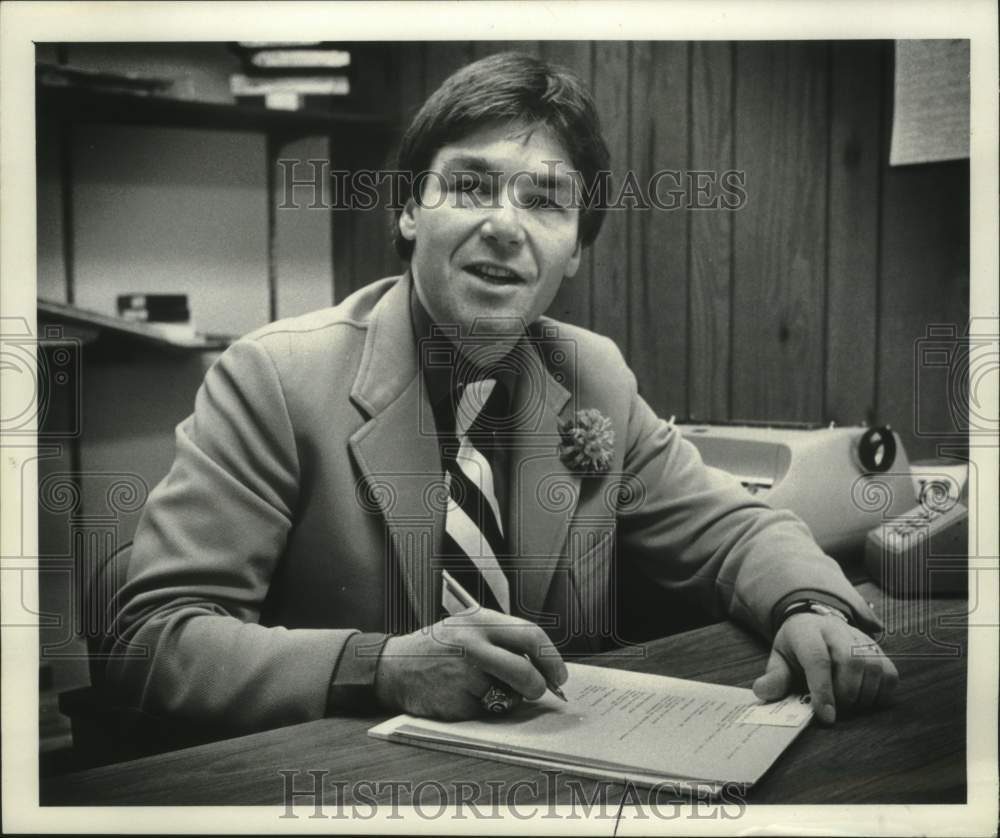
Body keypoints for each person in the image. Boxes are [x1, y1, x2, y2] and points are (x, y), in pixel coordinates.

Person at [102, 52, 898, 734]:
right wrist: (378, 666)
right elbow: (151, 643)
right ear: (411, 208)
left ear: (577, 250)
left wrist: (808, 608)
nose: (506, 226)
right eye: (472, 185)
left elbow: (736, 531)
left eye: (545, 200)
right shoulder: (273, 378)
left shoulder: (595, 376)